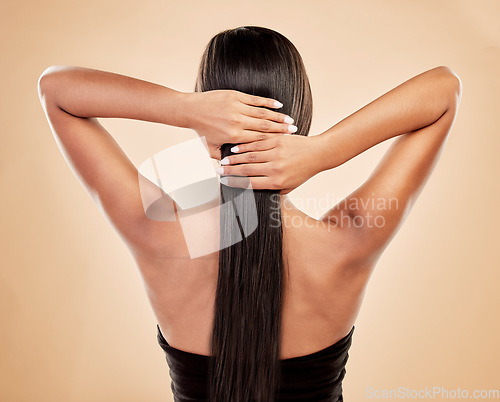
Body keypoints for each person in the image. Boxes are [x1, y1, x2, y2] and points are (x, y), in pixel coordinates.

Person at [37, 26, 462, 402]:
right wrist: (326, 152)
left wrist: (184, 108)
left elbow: (56, 90)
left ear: (207, 129)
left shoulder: (156, 232)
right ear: (302, 116)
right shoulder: (349, 238)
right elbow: (444, 91)